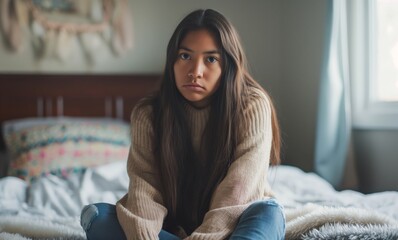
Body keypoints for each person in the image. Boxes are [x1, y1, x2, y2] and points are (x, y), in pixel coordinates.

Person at [80, 9, 285, 240]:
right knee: (97, 216)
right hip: (172, 227)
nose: (195, 72)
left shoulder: (252, 106)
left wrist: (205, 237)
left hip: (236, 223)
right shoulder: (148, 114)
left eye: (211, 59)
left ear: (227, 65)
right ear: (172, 61)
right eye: (185, 56)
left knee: (269, 213)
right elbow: (145, 186)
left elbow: (239, 188)